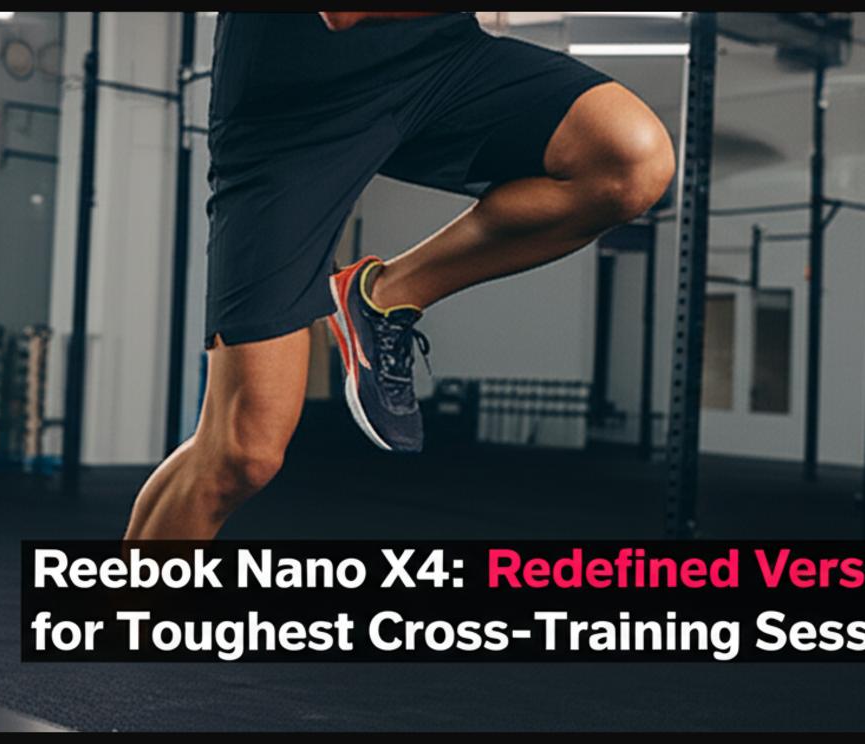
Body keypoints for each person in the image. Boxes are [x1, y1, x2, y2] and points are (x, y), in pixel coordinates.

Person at [124, 12, 675, 540]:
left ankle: (386, 296)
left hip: (435, 56)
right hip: (292, 98)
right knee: (242, 454)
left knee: (630, 160)